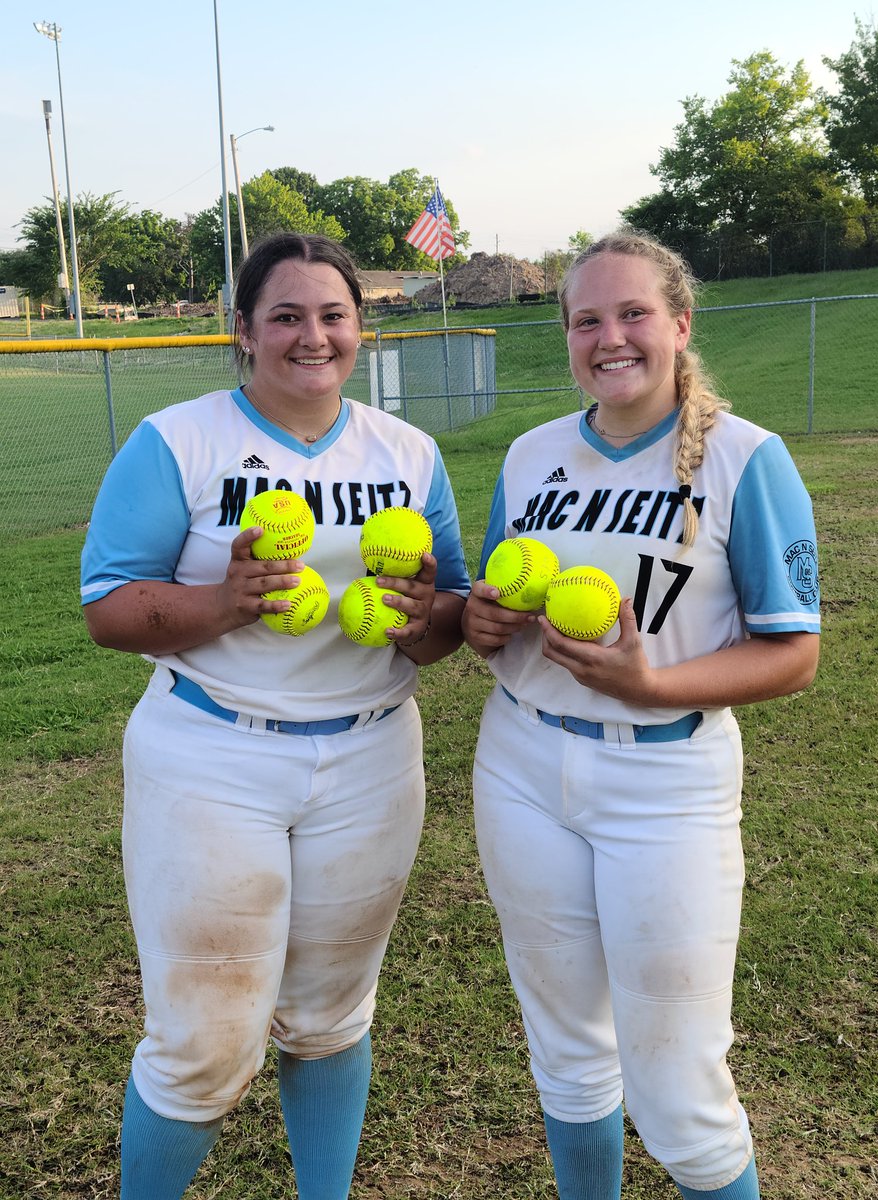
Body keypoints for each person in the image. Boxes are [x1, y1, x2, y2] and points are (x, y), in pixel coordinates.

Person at [80, 232, 470, 1199]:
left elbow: (449, 618)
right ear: (242, 331)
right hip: (213, 751)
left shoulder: (408, 454)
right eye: (286, 315)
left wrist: (425, 620)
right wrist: (226, 601)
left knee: (333, 1015)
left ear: (361, 328)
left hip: (373, 754)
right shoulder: (181, 439)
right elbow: (108, 607)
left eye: (332, 315)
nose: (312, 336)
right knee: (203, 1047)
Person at [462, 230, 820, 1200]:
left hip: (666, 777)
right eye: (587, 320)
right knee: (569, 1052)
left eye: (632, 315)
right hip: (522, 768)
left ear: (678, 325)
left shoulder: (746, 460)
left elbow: (795, 653)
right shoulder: (534, 456)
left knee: (678, 1089)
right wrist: (481, 618)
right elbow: (488, 619)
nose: (609, 337)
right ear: (568, 337)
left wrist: (649, 685)